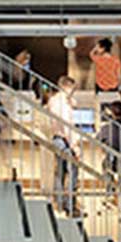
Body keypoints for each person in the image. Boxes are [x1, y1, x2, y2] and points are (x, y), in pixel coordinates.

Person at [46, 75, 81, 218]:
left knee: (60, 172)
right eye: (72, 89)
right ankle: (70, 205)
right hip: (65, 140)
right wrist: (74, 146)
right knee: (72, 172)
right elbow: (66, 126)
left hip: (56, 138)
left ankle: (60, 203)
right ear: (67, 87)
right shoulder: (62, 104)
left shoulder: (54, 100)